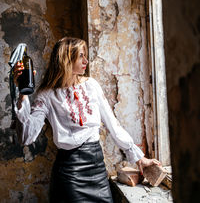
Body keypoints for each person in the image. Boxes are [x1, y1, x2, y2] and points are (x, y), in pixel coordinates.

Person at [13, 36, 160, 203]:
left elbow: (114, 125)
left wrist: (139, 158)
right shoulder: (47, 94)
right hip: (69, 174)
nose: (86, 61)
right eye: (81, 55)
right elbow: (27, 136)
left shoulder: (92, 85)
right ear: (67, 58)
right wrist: (23, 95)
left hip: (97, 169)